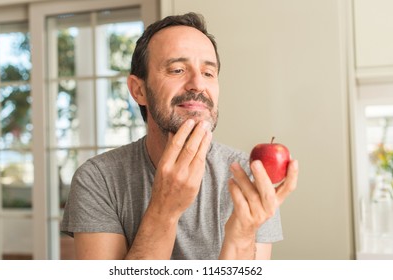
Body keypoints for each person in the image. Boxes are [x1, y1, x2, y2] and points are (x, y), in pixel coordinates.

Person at [61, 12, 298, 260]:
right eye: (177, 70)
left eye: (208, 73)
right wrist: (164, 210)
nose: (197, 84)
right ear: (139, 90)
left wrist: (240, 237)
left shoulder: (248, 178)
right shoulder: (97, 180)